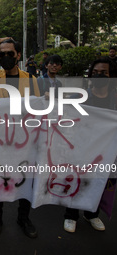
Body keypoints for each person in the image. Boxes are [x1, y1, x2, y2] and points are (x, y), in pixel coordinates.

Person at [0, 37, 40, 239]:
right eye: (1, 54)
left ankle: (24, 217)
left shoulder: (30, 80)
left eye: (10, 53)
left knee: (26, 180)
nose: (5, 57)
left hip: (24, 141)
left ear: (18, 55)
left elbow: (37, 109)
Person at [63, 57, 117, 233]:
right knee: (78, 181)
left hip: (107, 152)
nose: (99, 75)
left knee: (99, 183)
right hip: (82, 149)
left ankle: (92, 214)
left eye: (104, 73)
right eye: (95, 72)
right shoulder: (80, 97)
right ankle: (71, 215)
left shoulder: (115, 100)